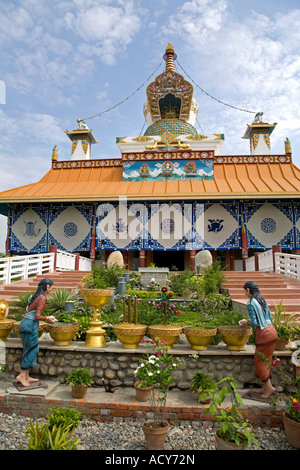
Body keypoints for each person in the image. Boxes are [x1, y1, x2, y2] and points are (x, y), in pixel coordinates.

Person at [239, 281, 278, 399]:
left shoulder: (251, 302)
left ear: (249, 290)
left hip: (264, 333)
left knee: (260, 360)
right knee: (267, 359)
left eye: (245, 291)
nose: (245, 293)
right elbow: (269, 317)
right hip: (272, 331)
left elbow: (255, 322)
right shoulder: (262, 299)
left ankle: (269, 388)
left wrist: (246, 323)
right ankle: (265, 387)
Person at [16, 278, 55, 387]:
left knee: (28, 349)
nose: (52, 290)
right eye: (52, 288)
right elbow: (37, 316)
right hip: (29, 326)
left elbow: (28, 308)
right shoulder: (42, 298)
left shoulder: (36, 296)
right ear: (47, 287)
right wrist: (47, 318)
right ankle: (22, 375)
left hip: (26, 324)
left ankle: (26, 376)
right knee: (33, 350)